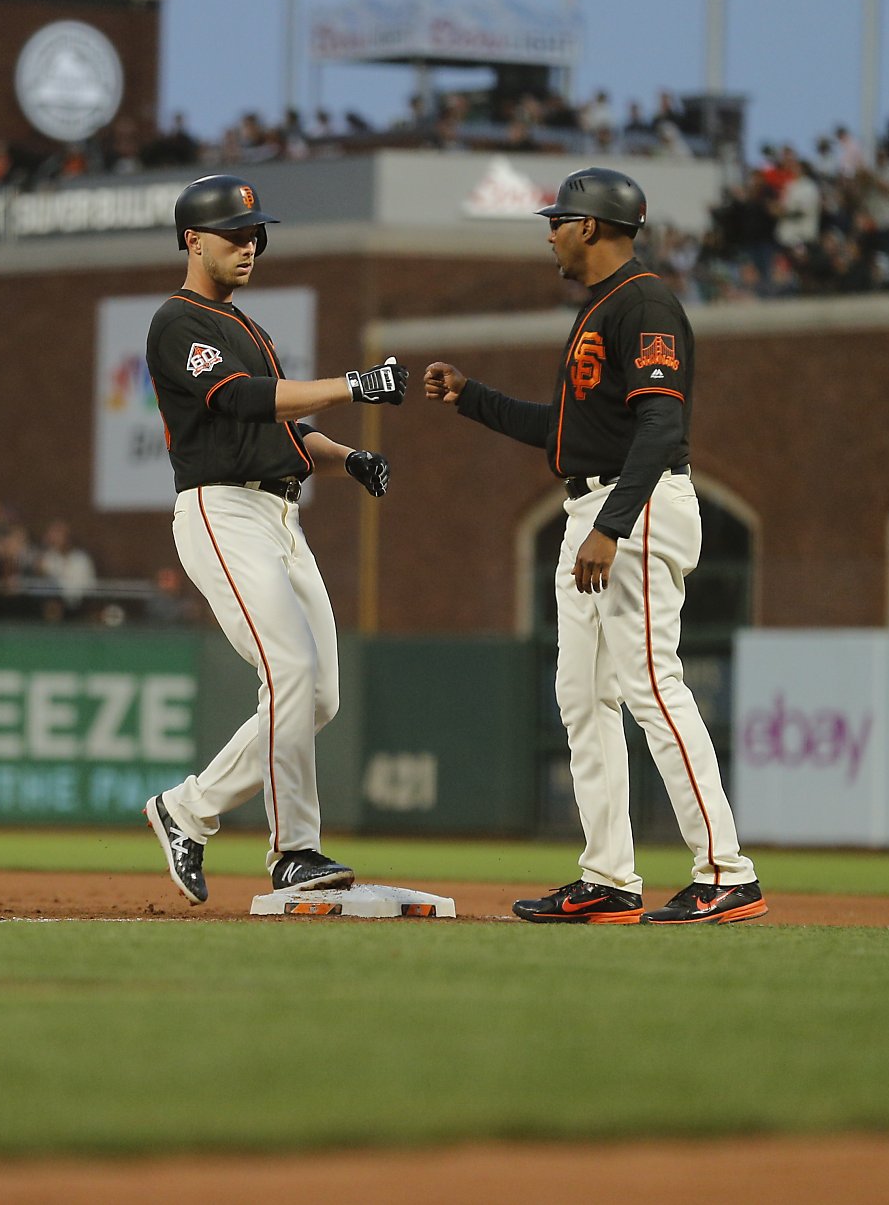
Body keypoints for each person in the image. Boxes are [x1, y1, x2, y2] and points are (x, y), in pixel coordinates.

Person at [422, 168, 765, 926]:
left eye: (559, 219)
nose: (549, 230)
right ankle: (609, 878)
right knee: (582, 698)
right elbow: (569, 433)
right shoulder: (602, 308)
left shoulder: (643, 303)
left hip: (632, 506)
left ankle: (725, 872)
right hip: (598, 500)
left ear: (591, 226)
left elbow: (661, 426)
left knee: (650, 683)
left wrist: (612, 525)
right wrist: (471, 396)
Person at [139, 175, 408, 905]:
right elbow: (237, 399)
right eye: (234, 231)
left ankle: (186, 809)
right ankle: (294, 852)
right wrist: (355, 384)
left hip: (282, 517)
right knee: (287, 670)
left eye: (255, 231)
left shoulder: (249, 328)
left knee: (317, 695)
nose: (250, 242)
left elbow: (284, 422)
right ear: (192, 240)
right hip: (221, 511)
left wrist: (345, 456)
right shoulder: (178, 321)